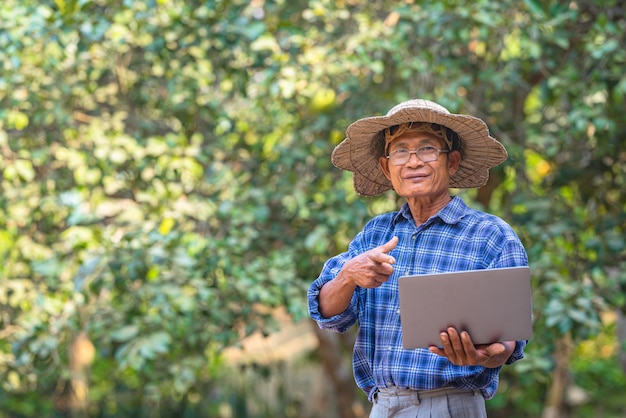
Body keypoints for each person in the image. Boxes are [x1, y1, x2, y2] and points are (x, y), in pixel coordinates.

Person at [307, 99, 529, 417]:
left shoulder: (491, 235)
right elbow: (328, 314)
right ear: (387, 168)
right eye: (400, 151)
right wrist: (347, 275)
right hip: (382, 406)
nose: (413, 162)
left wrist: (484, 356)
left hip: (452, 405)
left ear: (451, 162)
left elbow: (508, 341)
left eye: (427, 149)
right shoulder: (374, 234)